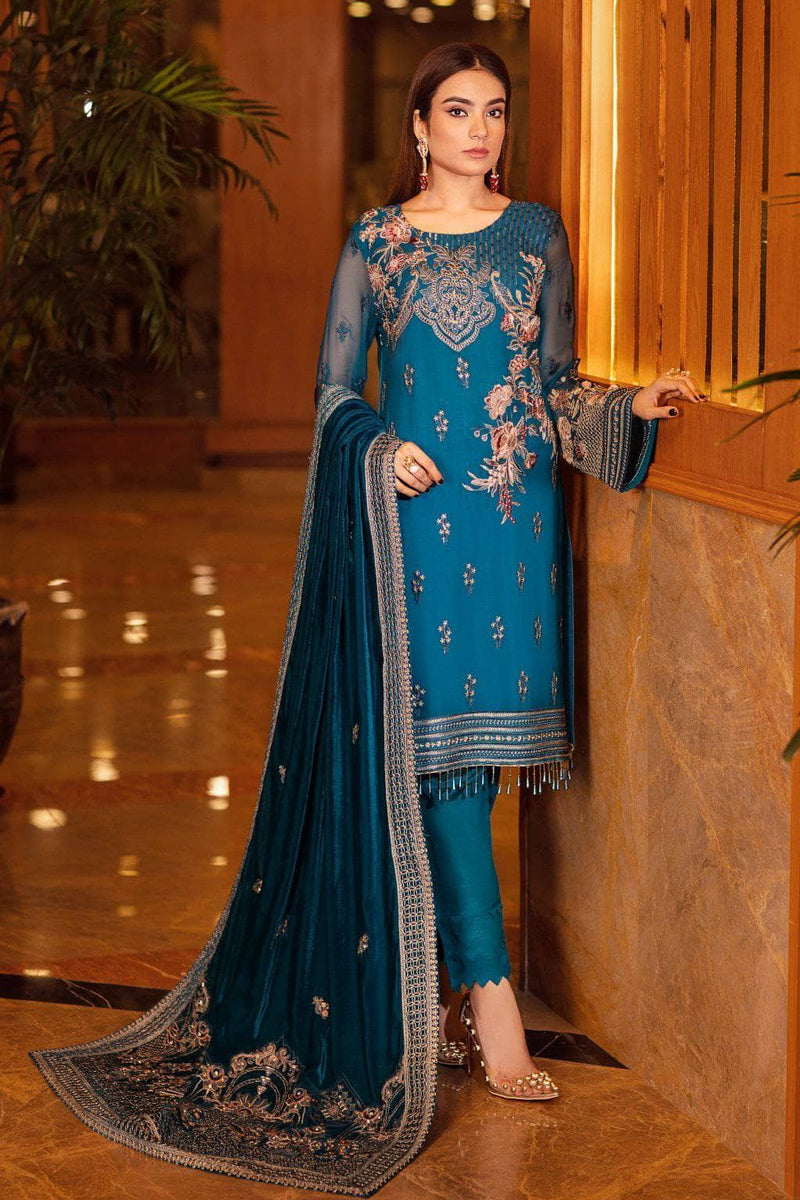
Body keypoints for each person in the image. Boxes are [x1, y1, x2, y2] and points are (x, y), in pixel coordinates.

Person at [29, 39, 705, 1196]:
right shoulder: (377, 244)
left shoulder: (535, 235)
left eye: (495, 111)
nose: (480, 130)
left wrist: (625, 405)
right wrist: (376, 449)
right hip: (416, 528)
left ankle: (432, 990)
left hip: (512, 526)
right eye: (458, 110)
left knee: (478, 763)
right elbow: (333, 390)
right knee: (438, 760)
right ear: (418, 127)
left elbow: (550, 385)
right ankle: (488, 1001)